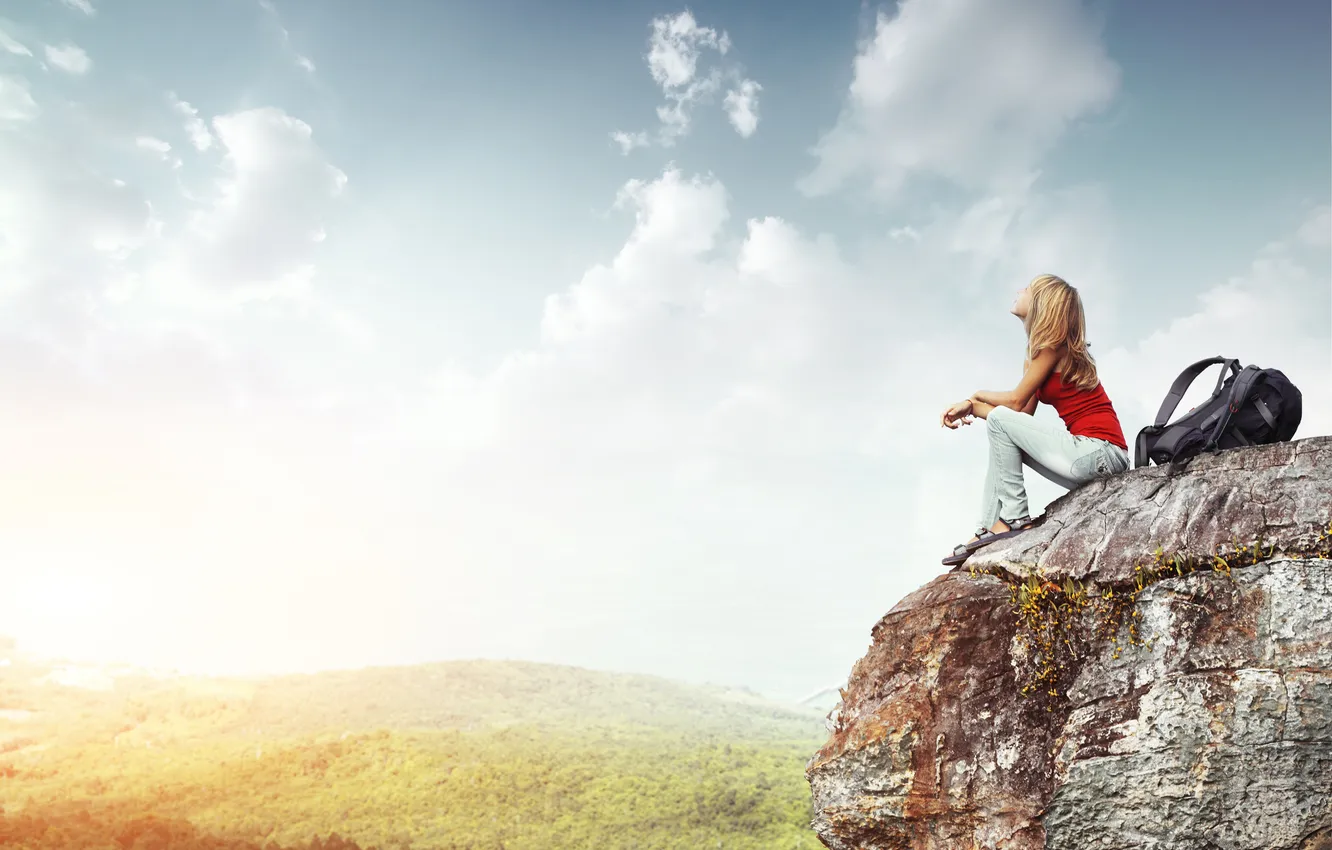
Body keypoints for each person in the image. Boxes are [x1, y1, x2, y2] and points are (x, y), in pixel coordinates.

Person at [939, 274, 1129, 566]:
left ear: (1042, 304)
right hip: (1088, 459)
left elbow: (1013, 402)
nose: (1019, 290)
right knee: (1001, 427)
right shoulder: (1036, 354)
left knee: (1000, 419)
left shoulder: (1053, 348)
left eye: (1027, 288)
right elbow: (1019, 418)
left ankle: (1015, 517)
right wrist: (973, 408)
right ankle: (989, 527)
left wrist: (974, 396)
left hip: (1101, 452)